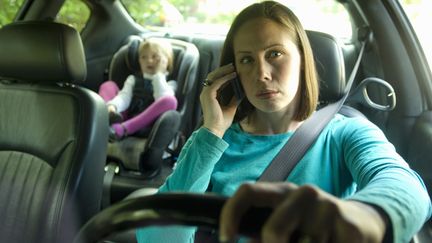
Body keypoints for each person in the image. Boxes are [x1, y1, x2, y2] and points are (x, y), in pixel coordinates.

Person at [136, 1, 431, 242]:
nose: (262, 73)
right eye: (247, 60)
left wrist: (367, 216)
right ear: (232, 71)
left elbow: (405, 186)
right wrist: (212, 130)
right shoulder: (212, 142)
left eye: (275, 53)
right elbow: (159, 237)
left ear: (303, 59)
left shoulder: (345, 133)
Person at [98, 38, 178, 140]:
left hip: (146, 124)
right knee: (108, 85)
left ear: (167, 60)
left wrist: (158, 75)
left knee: (170, 101)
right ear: (139, 61)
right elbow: (124, 97)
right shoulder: (133, 79)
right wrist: (112, 106)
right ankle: (105, 114)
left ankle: (123, 129)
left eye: (155, 57)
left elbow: (161, 99)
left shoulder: (170, 84)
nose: (149, 61)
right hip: (123, 118)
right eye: (144, 57)